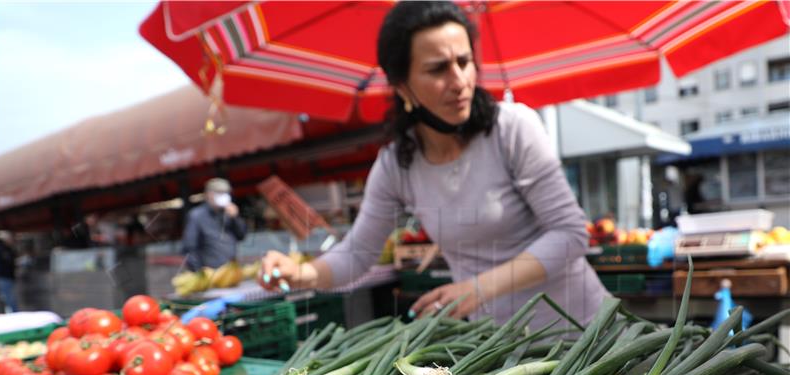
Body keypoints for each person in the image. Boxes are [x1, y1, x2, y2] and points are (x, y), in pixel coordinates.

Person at [260, 1, 607, 330]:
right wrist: (302, 273)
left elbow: (570, 234)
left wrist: (479, 287)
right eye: (438, 69)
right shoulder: (396, 166)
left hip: (585, 334)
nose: (459, 81)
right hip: (503, 348)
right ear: (403, 86)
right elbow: (358, 254)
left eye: (464, 61)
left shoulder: (512, 128)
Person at [182, 178, 247, 271]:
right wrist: (200, 274)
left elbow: (241, 235)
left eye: (226, 193)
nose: (223, 196)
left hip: (231, 271)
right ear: (209, 194)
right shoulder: (197, 216)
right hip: (210, 274)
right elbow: (189, 248)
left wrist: (235, 218)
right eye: (219, 193)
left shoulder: (228, 213)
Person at [0, 230, 19, 312]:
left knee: (5, 298)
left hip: (2, 276)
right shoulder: (1, 248)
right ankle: (14, 315)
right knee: (8, 298)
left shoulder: (1, 248)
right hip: (3, 277)